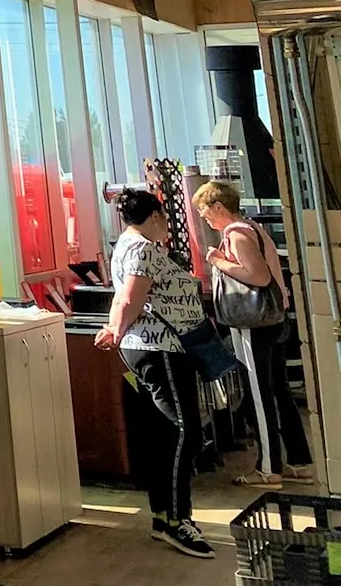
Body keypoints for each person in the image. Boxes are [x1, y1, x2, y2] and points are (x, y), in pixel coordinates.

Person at [95, 188, 214, 558]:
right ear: (156, 216)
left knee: (165, 433)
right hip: (160, 348)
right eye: (164, 218)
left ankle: (165, 515)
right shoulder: (143, 248)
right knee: (184, 431)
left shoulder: (127, 245)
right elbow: (131, 297)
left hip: (151, 347)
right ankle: (177, 519)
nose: (166, 225)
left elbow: (122, 298)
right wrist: (116, 330)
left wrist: (114, 329)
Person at [197, 179, 314, 485]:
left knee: (259, 395)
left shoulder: (236, 234)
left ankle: (268, 467)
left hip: (254, 323)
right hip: (275, 320)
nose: (203, 217)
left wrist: (218, 261)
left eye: (204, 210)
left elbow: (259, 277)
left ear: (218, 207)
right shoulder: (254, 229)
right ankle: (299, 461)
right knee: (280, 391)